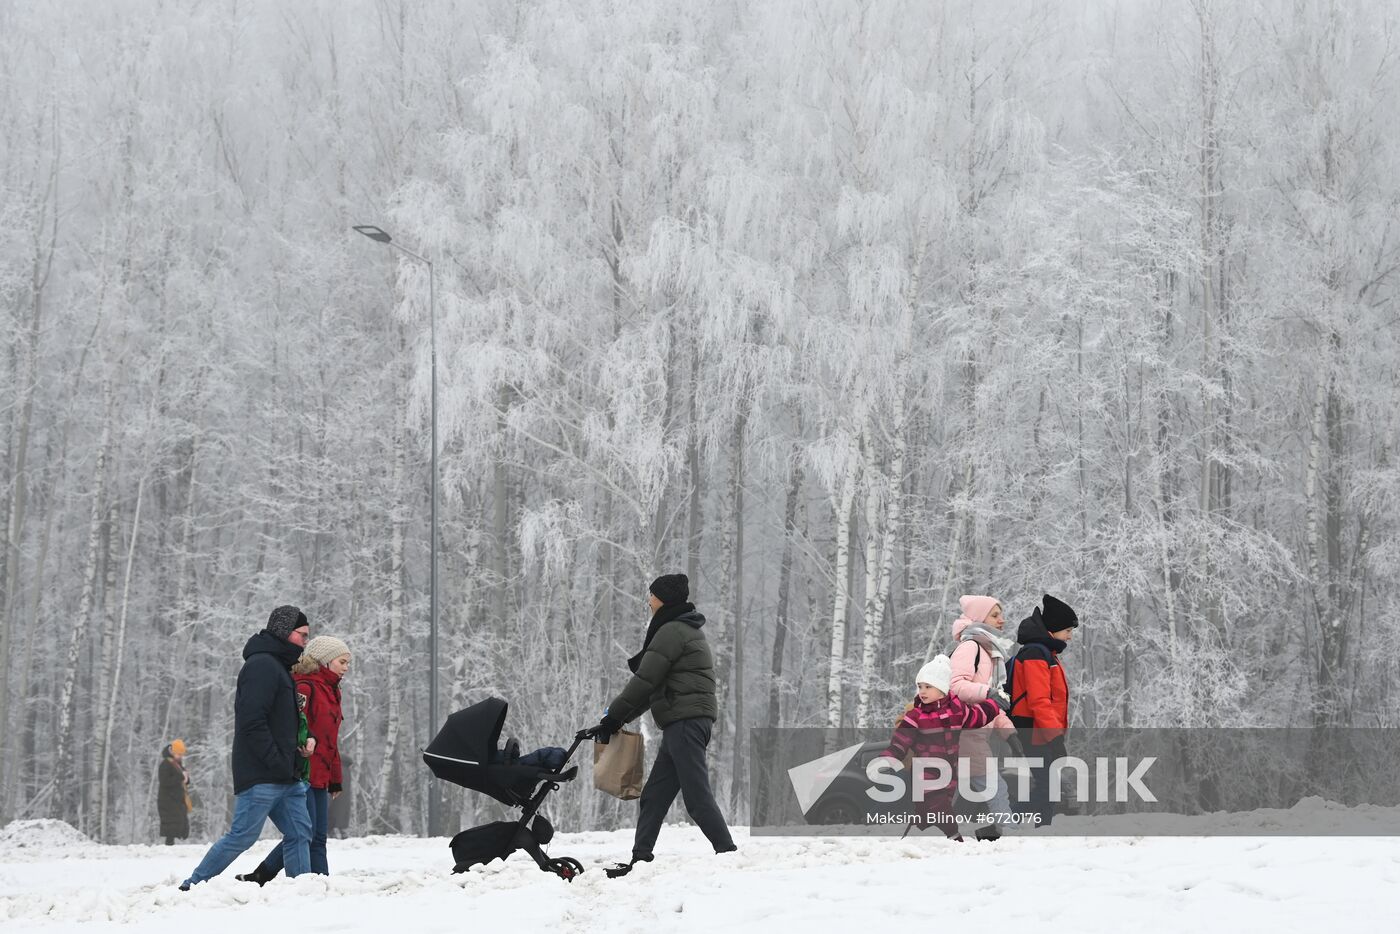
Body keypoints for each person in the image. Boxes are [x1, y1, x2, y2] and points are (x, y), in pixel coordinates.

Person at [594, 573, 735, 876]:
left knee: (696, 797)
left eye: (652, 595)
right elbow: (654, 687)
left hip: (685, 723)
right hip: (681, 723)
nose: (649, 600)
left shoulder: (672, 630)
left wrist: (613, 716)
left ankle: (728, 853)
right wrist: (618, 718)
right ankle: (640, 858)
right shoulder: (681, 628)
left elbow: (644, 681)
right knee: (655, 796)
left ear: (664, 599)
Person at [178, 606, 314, 890]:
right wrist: (276, 760)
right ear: (284, 632)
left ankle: (301, 891)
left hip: (286, 775)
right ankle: (192, 886)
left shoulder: (280, 667)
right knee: (242, 836)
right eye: (302, 635)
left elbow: (283, 721)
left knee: (300, 832)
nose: (305, 641)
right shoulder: (262, 666)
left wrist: (304, 742)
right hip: (262, 773)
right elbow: (252, 722)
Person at [238, 635, 350, 883]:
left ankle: (308, 881)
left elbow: (330, 740)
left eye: (347, 663)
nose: (346, 667)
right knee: (305, 833)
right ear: (325, 661)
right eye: (342, 662)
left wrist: (335, 778)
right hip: (303, 772)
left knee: (316, 835)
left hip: (321, 774)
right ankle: (305, 882)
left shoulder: (333, 690)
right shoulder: (304, 687)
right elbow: (294, 729)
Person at [878, 655, 1004, 841]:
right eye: (920, 686)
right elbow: (900, 741)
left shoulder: (957, 710)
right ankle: (955, 838)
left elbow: (978, 717)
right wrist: (888, 759)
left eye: (928, 687)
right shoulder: (916, 716)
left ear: (942, 689)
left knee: (926, 811)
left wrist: (995, 704)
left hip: (949, 773)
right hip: (925, 772)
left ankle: (915, 835)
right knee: (939, 807)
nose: (922, 691)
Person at [947, 595, 1017, 841]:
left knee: (950, 790)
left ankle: (935, 831)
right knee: (994, 787)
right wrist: (988, 692)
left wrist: (1010, 734)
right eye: (995, 615)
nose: (1002, 620)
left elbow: (993, 704)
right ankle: (1007, 833)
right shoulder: (970, 647)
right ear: (979, 618)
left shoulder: (990, 651)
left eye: (1001, 614)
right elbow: (955, 686)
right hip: (965, 731)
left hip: (973, 731)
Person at [1008, 594, 1078, 826]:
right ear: (1053, 629)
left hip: (1041, 731)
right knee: (1048, 788)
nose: (1070, 636)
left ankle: (1042, 829)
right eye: (1067, 630)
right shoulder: (1036, 654)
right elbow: (1039, 701)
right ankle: (999, 822)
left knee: (1049, 787)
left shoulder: (1046, 653)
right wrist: (1055, 738)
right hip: (1034, 731)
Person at [157, 739, 192, 845]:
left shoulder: (177, 764)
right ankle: (169, 847)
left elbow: (183, 779)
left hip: (177, 800)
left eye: (181, 754)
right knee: (171, 827)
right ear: (172, 752)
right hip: (168, 801)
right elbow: (164, 781)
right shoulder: (166, 764)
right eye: (178, 754)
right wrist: (181, 778)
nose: (180, 756)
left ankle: (174, 846)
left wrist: (186, 779)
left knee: (181, 826)